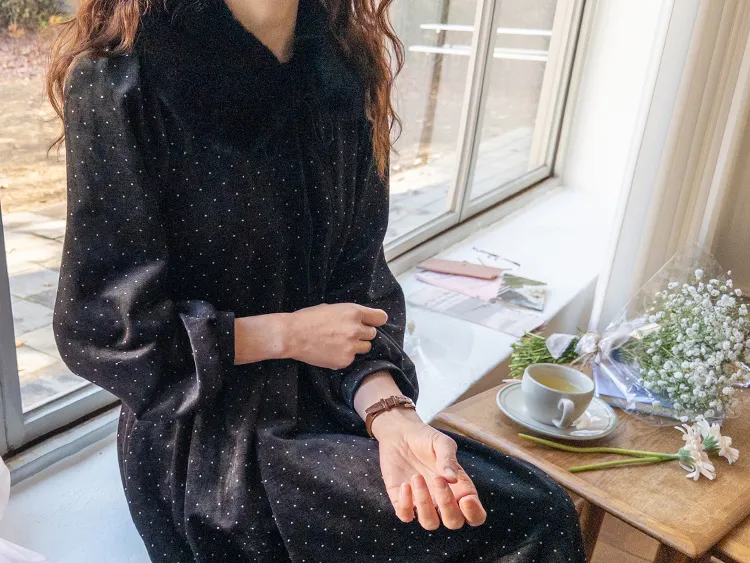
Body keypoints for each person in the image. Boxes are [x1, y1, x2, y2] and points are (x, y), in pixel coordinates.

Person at [47, 0, 585, 561]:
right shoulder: (119, 80)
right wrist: (287, 334)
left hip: (331, 396)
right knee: (528, 520)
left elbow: (358, 290)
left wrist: (391, 414)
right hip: (209, 440)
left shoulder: (343, 63)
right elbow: (103, 329)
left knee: (532, 507)